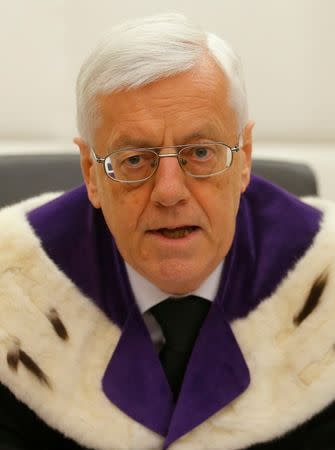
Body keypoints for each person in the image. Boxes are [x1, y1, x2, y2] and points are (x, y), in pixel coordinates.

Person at [0, 13, 334, 450]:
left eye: (200, 152)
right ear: (91, 174)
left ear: (245, 158)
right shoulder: (14, 296)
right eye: (135, 159)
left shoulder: (323, 289)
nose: (170, 192)